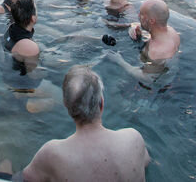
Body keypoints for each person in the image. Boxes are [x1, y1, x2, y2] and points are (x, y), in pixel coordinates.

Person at [20, 65, 150, 182]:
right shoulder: (134, 139)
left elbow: (26, 178)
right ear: (102, 103)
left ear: (67, 106)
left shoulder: (52, 154)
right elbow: (145, 163)